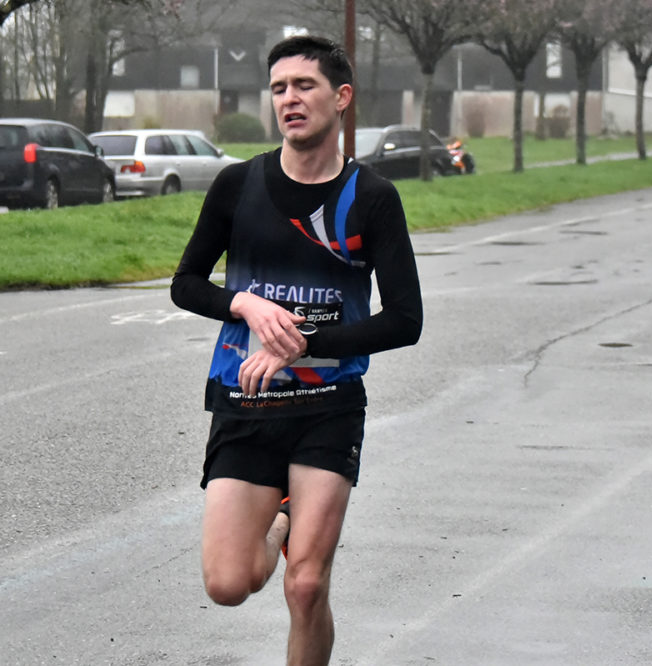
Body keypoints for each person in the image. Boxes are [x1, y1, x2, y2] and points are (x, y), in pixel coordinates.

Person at [170, 35, 423, 664]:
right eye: (279, 88)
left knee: (305, 585)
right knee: (228, 584)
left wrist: (306, 343)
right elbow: (186, 283)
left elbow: (405, 321)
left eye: (305, 86)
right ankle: (283, 517)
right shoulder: (237, 185)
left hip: (327, 406)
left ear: (341, 97)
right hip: (245, 402)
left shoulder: (371, 198)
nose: (289, 99)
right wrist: (244, 303)